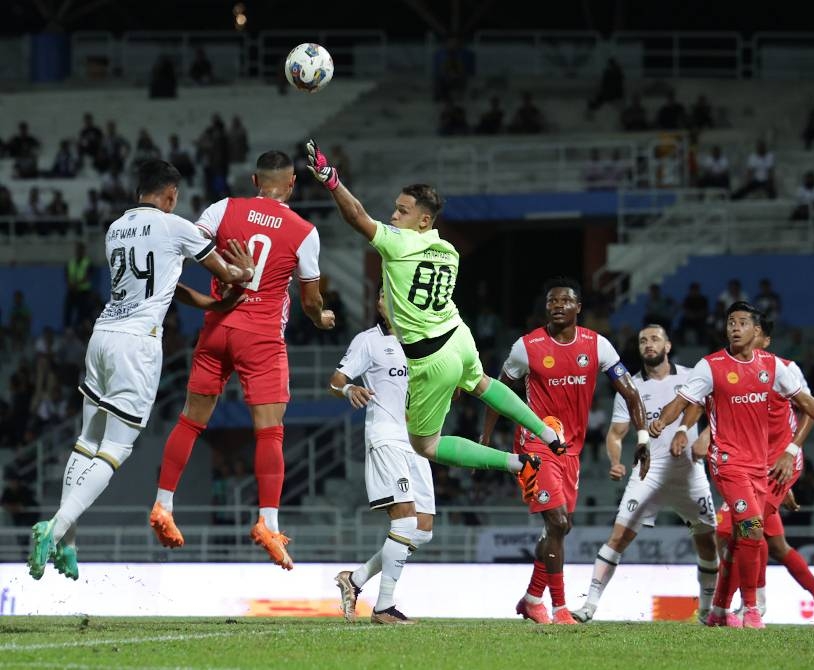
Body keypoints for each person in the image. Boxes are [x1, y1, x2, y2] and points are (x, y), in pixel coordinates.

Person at [27, 159, 255, 581]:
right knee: (116, 449)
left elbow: (164, 282)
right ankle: (54, 530)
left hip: (102, 336)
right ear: (170, 196)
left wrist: (206, 304)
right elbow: (226, 273)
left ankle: (69, 545)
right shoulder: (176, 226)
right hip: (137, 344)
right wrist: (246, 271)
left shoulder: (116, 228)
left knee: (85, 442)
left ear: (139, 193)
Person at [304, 138, 563, 509]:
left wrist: (332, 180)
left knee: (424, 445)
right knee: (483, 383)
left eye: (402, 211)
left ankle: (517, 463)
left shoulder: (399, 244)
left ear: (424, 220)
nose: (394, 216)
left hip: (430, 355)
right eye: (395, 209)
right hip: (458, 335)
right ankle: (546, 431)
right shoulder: (450, 250)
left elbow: (356, 216)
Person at [148, 150, 335, 571]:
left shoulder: (222, 209)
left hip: (217, 325)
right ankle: (268, 522)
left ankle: (163, 504)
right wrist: (321, 316)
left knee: (190, 421)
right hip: (262, 337)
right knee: (269, 434)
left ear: (254, 180)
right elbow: (309, 300)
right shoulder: (305, 231)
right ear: (291, 185)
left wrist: (199, 296)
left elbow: (182, 248)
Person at [648, 301, 814, 628]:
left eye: (742, 323)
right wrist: (667, 424)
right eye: (730, 322)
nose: (734, 328)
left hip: (770, 467)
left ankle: (724, 609)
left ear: (758, 333)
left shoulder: (777, 368)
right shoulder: (711, 366)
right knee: (746, 529)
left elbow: (806, 403)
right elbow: (689, 401)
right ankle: (751, 607)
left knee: (750, 536)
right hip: (729, 464)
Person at [480, 278, 648, 625]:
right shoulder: (526, 347)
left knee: (560, 528)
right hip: (535, 443)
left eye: (564, 301)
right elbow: (497, 391)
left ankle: (531, 598)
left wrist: (643, 437)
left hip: (570, 451)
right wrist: (485, 437)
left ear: (578, 308)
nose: (557, 305)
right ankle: (559, 609)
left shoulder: (597, 345)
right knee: (556, 521)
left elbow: (630, 390)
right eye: (551, 301)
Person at [572, 324, 717, 624]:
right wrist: (615, 460)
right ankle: (589, 605)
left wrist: (696, 434)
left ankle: (706, 610)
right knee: (618, 536)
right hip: (648, 472)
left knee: (707, 541)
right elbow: (615, 434)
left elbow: (706, 409)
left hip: (688, 470)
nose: (648, 344)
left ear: (668, 345)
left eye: (654, 339)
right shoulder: (630, 388)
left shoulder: (690, 376)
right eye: (642, 341)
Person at [713, 318, 814, 627]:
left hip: (779, 464)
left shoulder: (783, 368)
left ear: (764, 339)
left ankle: (740, 606)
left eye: (753, 330)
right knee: (771, 542)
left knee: (739, 530)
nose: (745, 333)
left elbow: (809, 408)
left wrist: (791, 452)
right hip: (753, 465)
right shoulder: (733, 372)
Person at [331, 289, 433, 625]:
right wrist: (349, 389)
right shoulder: (369, 341)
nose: (391, 301)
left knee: (422, 530)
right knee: (403, 521)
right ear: (377, 303)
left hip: (418, 442)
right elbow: (337, 380)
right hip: (386, 437)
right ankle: (384, 607)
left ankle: (355, 579)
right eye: (385, 296)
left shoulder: (421, 341)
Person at [63, 242, 93, 328]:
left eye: (80, 250)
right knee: (67, 311)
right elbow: (66, 276)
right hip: (72, 291)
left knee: (83, 312)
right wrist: (70, 284)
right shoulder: (71, 262)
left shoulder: (88, 262)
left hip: (84, 292)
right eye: (77, 250)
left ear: (84, 251)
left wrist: (76, 284)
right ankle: (68, 329)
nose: (78, 252)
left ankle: (80, 328)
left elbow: (88, 276)